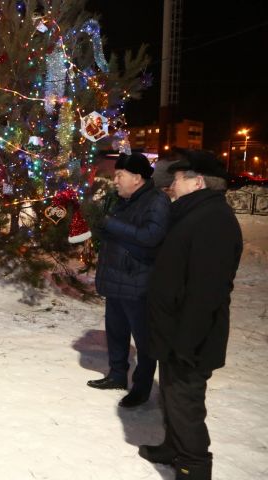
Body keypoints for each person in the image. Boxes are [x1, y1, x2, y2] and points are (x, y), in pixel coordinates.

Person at [140, 150, 242, 480]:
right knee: (171, 395)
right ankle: (173, 447)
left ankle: (194, 467)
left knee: (186, 403)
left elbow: (206, 292)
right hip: (176, 333)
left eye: (179, 178)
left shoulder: (214, 220)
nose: (173, 183)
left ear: (198, 182)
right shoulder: (191, 213)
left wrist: (186, 343)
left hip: (192, 338)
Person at [89, 152, 170, 408]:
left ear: (137, 178)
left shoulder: (156, 201)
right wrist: (98, 224)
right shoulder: (123, 199)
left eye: (119, 175)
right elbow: (115, 231)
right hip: (116, 278)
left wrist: (110, 224)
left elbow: (150, 237)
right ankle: (116, 375)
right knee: (116, 331)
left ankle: (142, 387)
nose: (115, 180)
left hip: (138, 283)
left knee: (143, 339)